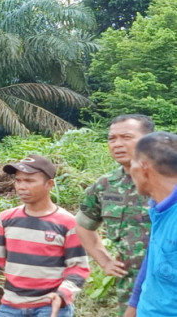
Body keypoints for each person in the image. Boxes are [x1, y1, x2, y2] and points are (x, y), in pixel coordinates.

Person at [0, 154, 89, 317]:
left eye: (29, 181)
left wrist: (63, 295)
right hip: (11, 307)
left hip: (51, 307)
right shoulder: (5, 220)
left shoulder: (68, 223)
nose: (21, 186)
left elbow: (78, 267)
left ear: (49, 184)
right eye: (18, 180)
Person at [75, 114, 154, 315]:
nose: (117, 144)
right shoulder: (105, 185)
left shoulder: (168, 180)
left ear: (149, 140)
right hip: (129, 287)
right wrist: (105, 261)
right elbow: (83, 225)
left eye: (126, 137)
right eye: (112, 138)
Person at [124, 132, 177, 317]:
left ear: (144, 167)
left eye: (132, 164)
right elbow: (151, 266)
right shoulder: (159, 209)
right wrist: (133, 308)